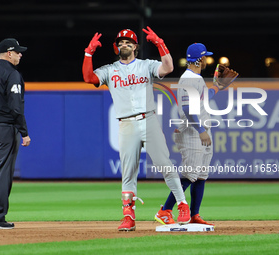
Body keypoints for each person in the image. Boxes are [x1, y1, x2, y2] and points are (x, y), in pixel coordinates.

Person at [82, 27, 190, 231]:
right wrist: (89, 53)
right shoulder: (109, 70)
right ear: (116, 47)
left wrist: (160, 43)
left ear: (135, 47)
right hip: (126, 123)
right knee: (128, 172)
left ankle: (183, 204)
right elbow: (89, 78)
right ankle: (128, 216)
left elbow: (167, 68)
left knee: (164, 164)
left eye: (128, 42)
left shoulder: (146, 65)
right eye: (121, 42)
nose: (124, 44)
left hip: (148, 118)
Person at [155, 43, 220, 226]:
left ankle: (195, 215)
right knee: (190, 174)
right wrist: (200, 131)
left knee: (201, 175)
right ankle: (165, 210)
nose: (207, 59)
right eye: (205, 56)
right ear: (199, 59)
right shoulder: (189, 79)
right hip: (193, 130)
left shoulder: (196, 78)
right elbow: (187, 108)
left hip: (201, 129)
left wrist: (217, 87)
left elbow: (203, 100)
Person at [0, 38, 31, 230]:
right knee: (5, 170)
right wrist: (24, 132)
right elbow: (16, 107)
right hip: (5, 127)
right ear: (9, 53)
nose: (20, 54)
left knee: (1, 169)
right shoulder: (12, 74)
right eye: (18, 52)